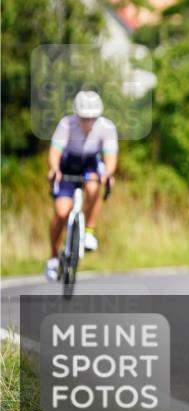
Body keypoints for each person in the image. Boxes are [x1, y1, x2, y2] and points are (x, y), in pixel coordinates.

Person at [45, 90, 118, 282]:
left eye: (92, 118)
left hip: (89, 164)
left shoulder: (106, 127)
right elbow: (55, 152)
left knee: (94, 187)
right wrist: (54, 169)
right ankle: (53, 257)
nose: (88, 122)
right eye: (84, 118)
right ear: (77, 115)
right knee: (61, 212)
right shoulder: (66, 125)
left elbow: (110, 157)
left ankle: (89, 232)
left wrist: (108, 174)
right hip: (68, 164)